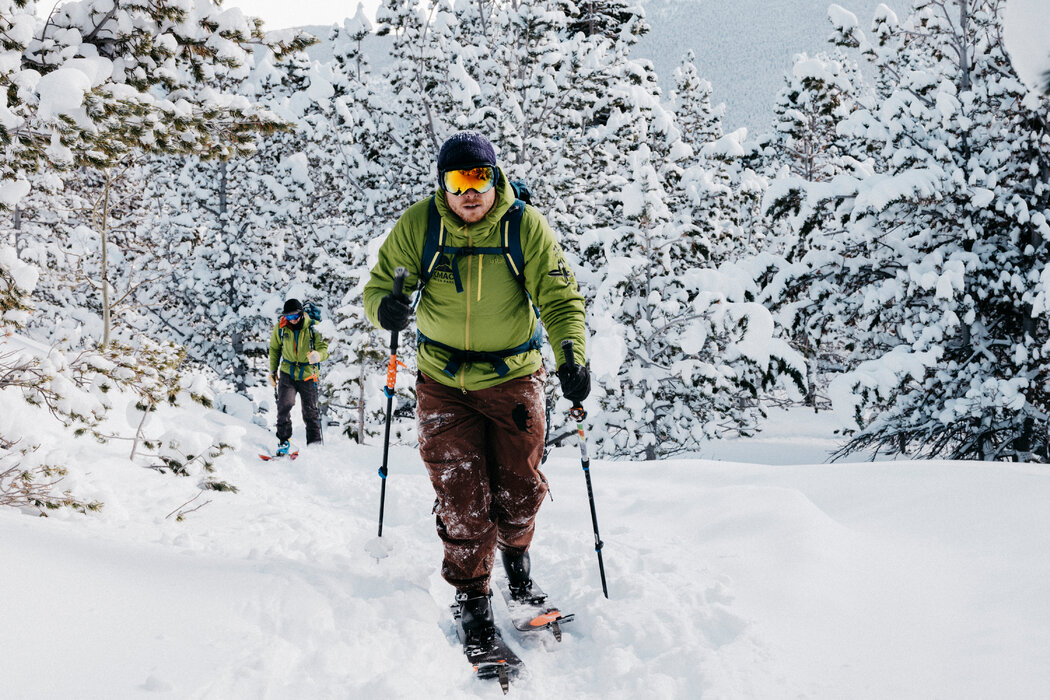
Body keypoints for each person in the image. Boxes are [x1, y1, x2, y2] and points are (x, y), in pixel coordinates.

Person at [363, 131, 591, 645]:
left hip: (513, 377)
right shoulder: (420, 226)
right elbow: (380, 284)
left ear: (495, 177)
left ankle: (515, 556)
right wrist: (385, 308)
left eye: (480, 177)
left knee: (519, 490)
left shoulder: (523, 227)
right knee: (461, 493)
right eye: (458, 179)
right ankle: (471, 594)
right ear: (443, 184)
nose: (470, 191)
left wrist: (572, 356)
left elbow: (559, 298)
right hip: (442, 380)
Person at [268, 298, 329, 454]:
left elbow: (324, 348)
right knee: (284, 406)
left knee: (310, 412)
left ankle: (314, 446)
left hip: (308, 374)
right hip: (288, 372)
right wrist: (273, 370)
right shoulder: (281, 328)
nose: (292, 320)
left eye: (295, 316)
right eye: (288, 317)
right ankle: (283, 440)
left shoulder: (313, 327)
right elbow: (275, 349)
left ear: (301, 314)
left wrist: (318, 355)